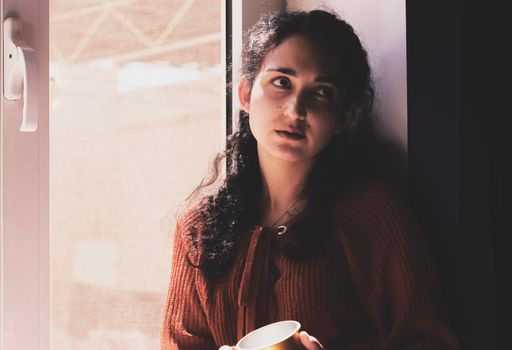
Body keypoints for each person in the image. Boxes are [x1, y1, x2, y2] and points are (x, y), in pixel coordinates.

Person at [161, 9, 460, 350]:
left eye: (322, 92)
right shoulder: (199, 229)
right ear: (244, 93)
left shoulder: (372, 216)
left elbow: (427, 340)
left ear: (344, 115)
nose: (295, 110)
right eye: (281, 83)